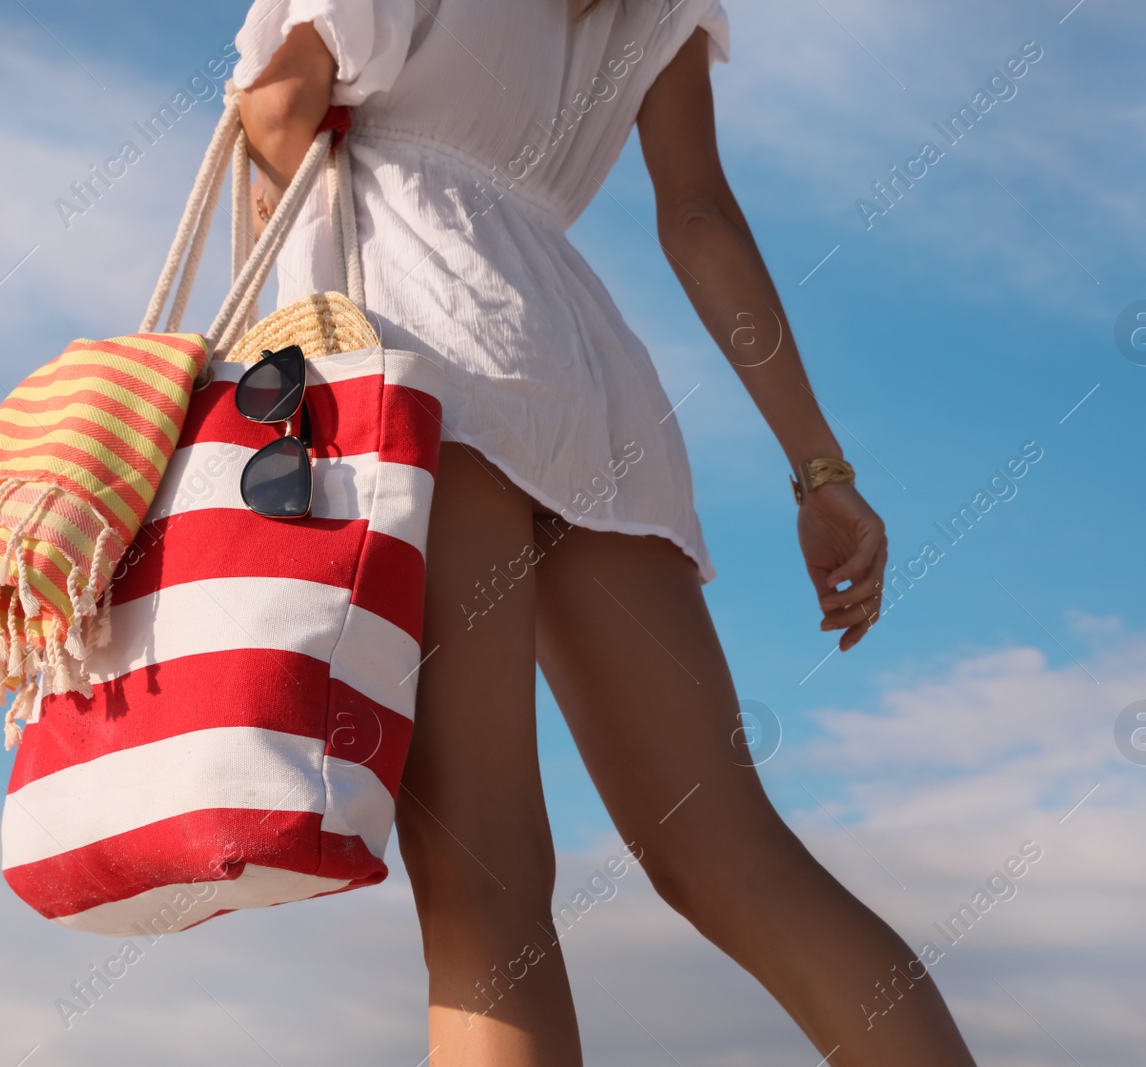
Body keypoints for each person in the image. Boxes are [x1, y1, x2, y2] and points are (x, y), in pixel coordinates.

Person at [231, 1, 978, 1063]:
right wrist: (820, 470)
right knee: (731, 853)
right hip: (590, 379)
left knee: (480, 887)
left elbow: (278, 110)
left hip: (410, 355)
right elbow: (700, 216)